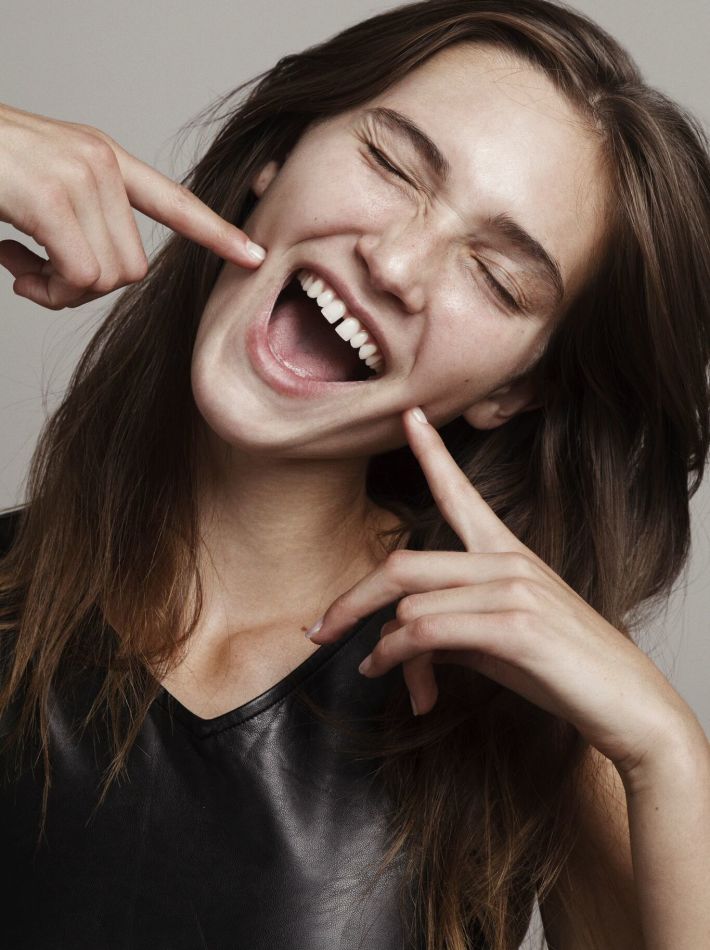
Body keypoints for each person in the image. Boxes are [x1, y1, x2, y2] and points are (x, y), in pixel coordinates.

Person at [1, 0, 709, 947]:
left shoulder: (526, 723)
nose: (396, 263)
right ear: (277, 156)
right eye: (391, 162)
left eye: (497, 278)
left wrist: (669, 752)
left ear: (512, 391)